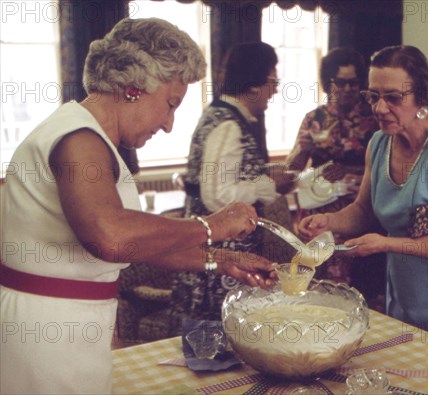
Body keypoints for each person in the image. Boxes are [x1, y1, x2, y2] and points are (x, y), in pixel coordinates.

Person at [0, 18, 274, 395]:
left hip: (71, 326)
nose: (168, 125)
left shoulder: (88, 135)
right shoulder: (77, 138)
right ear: (133, 88)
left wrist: (223, 260)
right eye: (170, 105)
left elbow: (134, 244)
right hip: (47, 335)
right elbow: (110, 236)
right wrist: (212, 224)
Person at [298, 45, 428, 358]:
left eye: (392, 97)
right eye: (373, 96)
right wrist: (330, 221)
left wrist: (387, 244)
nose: (378, 107)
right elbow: (363, 211)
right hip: (406, 286)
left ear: (422, 97)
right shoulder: (378, 143)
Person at [173, 42, 293, 325]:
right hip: (220, 257)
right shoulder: (228, 124)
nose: (275, 91)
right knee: (218, 339)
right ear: (253, 85)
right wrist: (266, 184)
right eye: (272, 82)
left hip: (216, 251)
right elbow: (218, 195)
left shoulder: (220, 116)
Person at [286, 47, 384, 304]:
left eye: (354, 82)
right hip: (320, 207)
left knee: (361, 282)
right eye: (342, 82)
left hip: (359, 207)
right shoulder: (314, 119)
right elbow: (293, 171)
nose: (350, 88)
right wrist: (301, 149)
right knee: (320, 282)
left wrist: (355, 174)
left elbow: (386, 167)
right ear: (329, 82)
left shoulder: (373, 118)